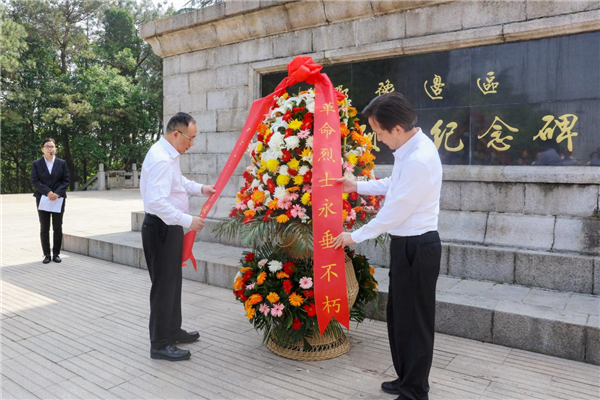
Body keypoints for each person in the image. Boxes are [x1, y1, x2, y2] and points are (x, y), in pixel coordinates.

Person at [334, 92, 443, 400]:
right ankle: (406, 377)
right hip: (407, 246)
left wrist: (353, 236)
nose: (379, 139)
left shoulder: (419, 159)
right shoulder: (410, 151)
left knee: (415, 322)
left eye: (380, 133)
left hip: (417, 248)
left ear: (397, 129)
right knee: (399, 317)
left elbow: (394, 211)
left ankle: (414, 391)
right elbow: (393, 184)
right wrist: (355, 185)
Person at [140, 112, 216, 361]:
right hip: (161, 227)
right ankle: (160, 344)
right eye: (190, 138)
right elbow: (157, 202)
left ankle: (173, 330)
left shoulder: (169, 154)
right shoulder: (162, 158)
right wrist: (188, 221)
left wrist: (200, 189)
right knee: (163, 287)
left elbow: (178, 183)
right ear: (176, 134)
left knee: (173, 283)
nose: (191, 144)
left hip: (168, 227)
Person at [31, 138, 70, 264]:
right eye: (47, 146)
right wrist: (48, 192)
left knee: (57, 227)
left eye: (52, 146)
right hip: (43, 198)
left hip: (58, 199)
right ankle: (47, 254)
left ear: (55, 149)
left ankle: (56, 254)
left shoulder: (62, 163)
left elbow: (66, 180)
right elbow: (35, 181)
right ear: (42, 149)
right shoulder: (37, 163)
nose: (50, 149)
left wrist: (57, 193)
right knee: (44, 227)